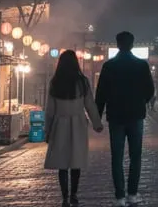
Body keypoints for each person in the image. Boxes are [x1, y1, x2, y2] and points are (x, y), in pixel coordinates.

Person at [95, 31, 155, 206]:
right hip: (136, 115)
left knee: (117, 157)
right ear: (132, 44)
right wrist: (140, 101)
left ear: (117, 44)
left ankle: (120, 196)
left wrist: (97, 118)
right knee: (136, 156)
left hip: (115, 116)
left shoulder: (109, 66)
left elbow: (101, 95)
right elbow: (150, 90)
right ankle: (133, 194)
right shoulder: (141, 65)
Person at [43, 50, 104, 206]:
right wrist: (97, 123)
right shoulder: (82, 82)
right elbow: (89, 104)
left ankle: (64, 197)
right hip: (78, 124)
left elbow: (50, 110)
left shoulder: (55, 82)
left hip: (59, 124)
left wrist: (47, 130)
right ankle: (74, 194)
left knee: (62, 164)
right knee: (76, 160)